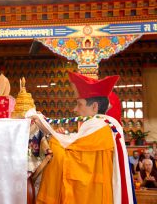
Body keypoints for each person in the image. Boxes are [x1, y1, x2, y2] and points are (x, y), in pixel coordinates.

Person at [32, 71, 134, 204]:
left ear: (94, 107)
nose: (75, 109)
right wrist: (60, 137)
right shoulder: (104, 126)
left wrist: (52, 138)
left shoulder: (101, 128)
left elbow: (71, 160)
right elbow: (77, 150)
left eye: (79, 104)